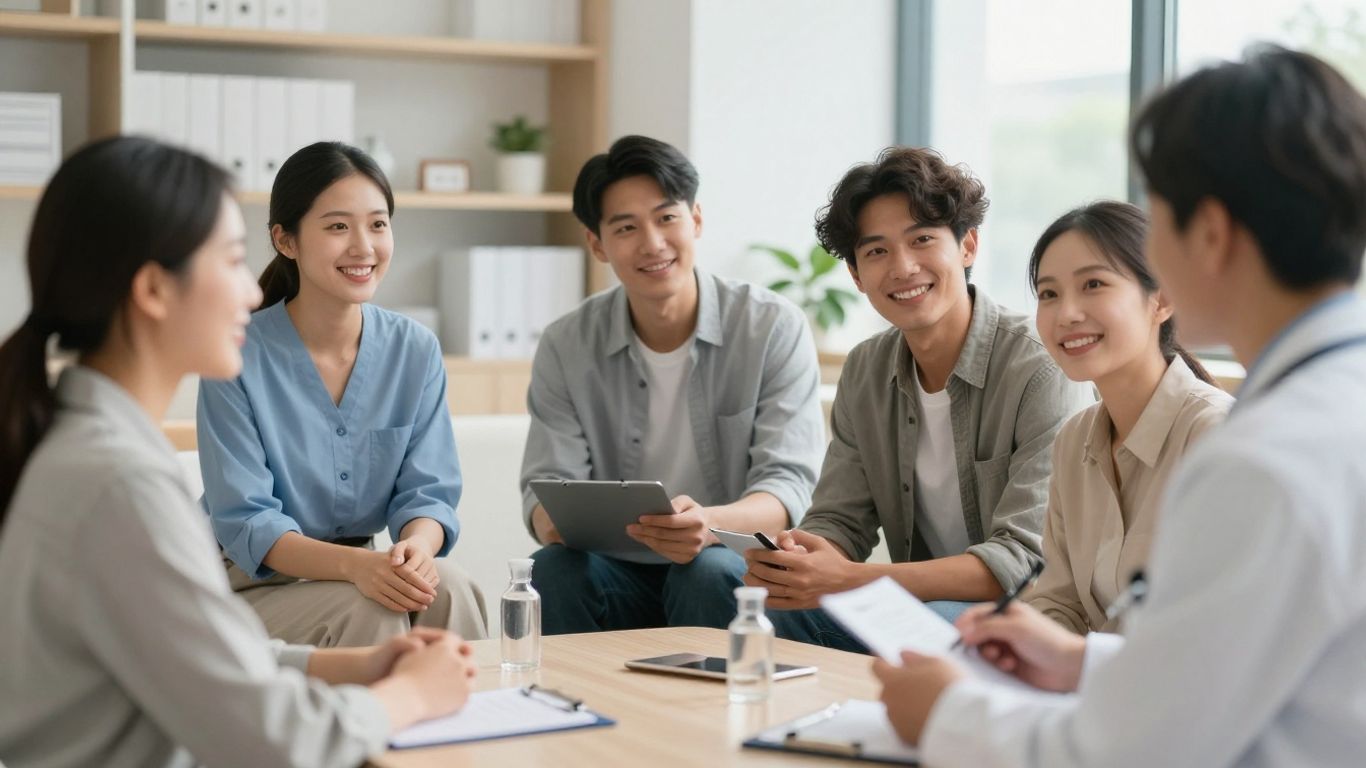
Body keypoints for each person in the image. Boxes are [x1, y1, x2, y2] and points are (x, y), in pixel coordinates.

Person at [874, 45, 1366, 767]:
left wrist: (947, 716)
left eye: (1157, 215)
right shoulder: (1328, 407)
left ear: (1210, 231)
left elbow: (1133, 751)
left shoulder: (1260, 460)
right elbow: (1214, 675)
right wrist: (1080, 663)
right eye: (1047, 291)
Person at [0, 136, 475, 767]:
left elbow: (197, 653)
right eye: (229, 262)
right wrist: (405, 697)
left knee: (450, 591)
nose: (252, 295)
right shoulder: (119, 485)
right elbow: (266, 735)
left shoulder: (95, 452)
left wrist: (359, 665)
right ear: (152, 290)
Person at [743, 146, 1092, 648]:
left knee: (935, 624)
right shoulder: (866, 368)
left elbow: (1022, 560)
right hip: (909, 608)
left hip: (1023, 614)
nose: (903, 267)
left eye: (922, 240)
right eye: (877, 251)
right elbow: (840, 519)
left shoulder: (1039, 366)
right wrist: (800, 555)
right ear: (857, 277)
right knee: (736, 590)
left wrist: (850, 580)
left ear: (968, 246)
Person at [521, 135, 826, 633]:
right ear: (597, 242)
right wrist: (556, 520)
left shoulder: (771, 327)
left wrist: (708, 524)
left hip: (729, 565)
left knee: (706, 571)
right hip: (614, 571)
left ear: (696, 220)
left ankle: (716, 713)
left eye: (667, 218)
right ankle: (571, 709)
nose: (653, 243)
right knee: (550, 570)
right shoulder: (566, 343)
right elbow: (545, 489)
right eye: (626, 227)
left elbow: (787, 486)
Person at [198, 142, 486, 647]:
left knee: (454, 589)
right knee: (367, 610)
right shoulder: (235, 353)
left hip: (365, 566)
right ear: (285, 241)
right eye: (337, 227)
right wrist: (359, 567)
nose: (364, 247)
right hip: (246, 582)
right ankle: (365, 729)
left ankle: (480, 724)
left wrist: (416, 548)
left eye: (377, 224)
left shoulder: (414, 350)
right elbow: (249, 520)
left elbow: (428, 492)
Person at [1025, 201, 1232, 633]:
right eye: (1049, 294)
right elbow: (1055, 600)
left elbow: (1212, 632)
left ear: (1163, 300)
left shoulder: (1215, 436)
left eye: (1094, 284)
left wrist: (1071, 661)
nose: (1066, 314)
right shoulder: (1073, 439)